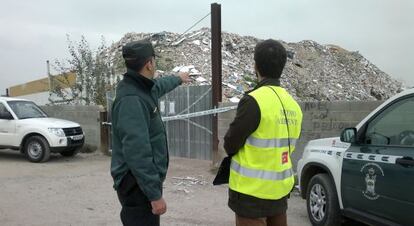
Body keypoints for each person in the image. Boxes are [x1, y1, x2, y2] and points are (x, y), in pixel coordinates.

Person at [110, 40, 191, 226]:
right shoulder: (132, 99)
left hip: (140, 182)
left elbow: (160, 85)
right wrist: (154, 195)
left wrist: (179, 78)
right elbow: (137, 152)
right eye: (154, 61)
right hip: (136, 184)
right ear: (149, 64)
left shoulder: (141, 87)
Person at [224, 39, 303, 226]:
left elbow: (231, 144)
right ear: (282, 67)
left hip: (251, 192)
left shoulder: (253, 101)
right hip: (279, 191)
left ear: (256, 66)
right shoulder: (293, 105)